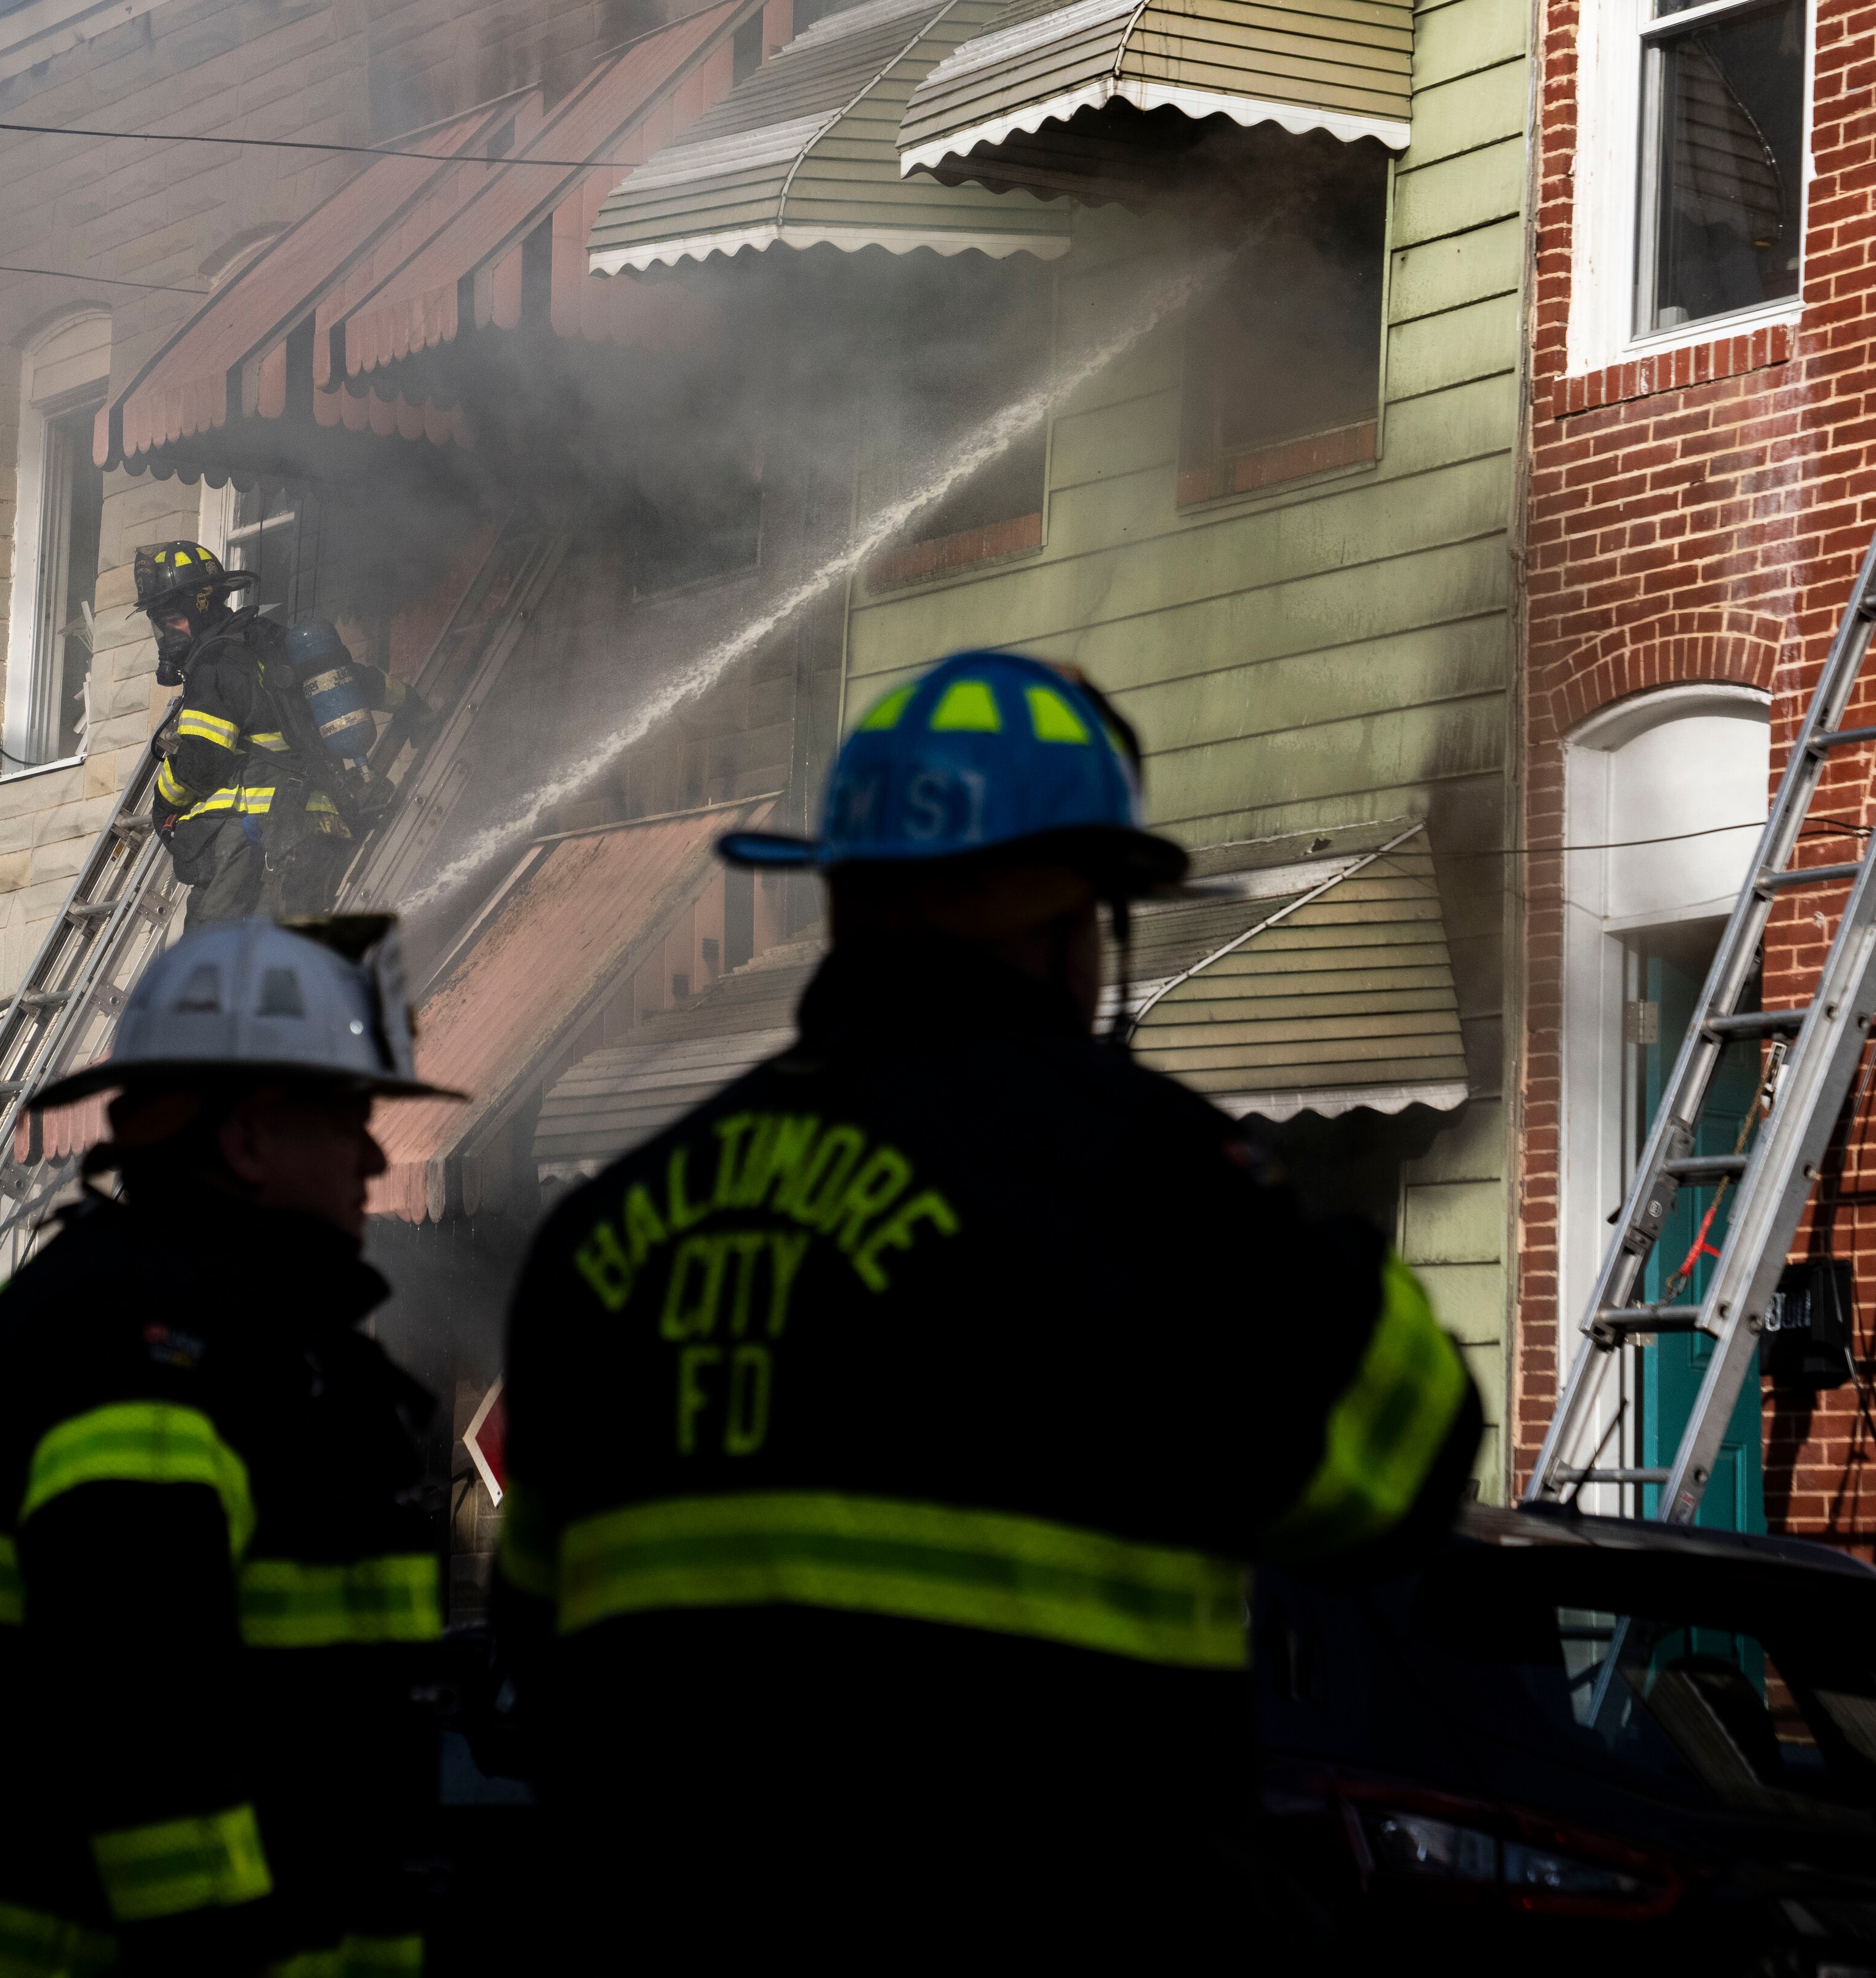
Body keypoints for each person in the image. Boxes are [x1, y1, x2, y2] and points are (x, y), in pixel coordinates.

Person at [488, 650, 1486, 1969]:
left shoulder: (605, 1231)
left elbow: (534, 1656)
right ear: (1079, 925)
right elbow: (1407, 1466)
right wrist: (1272, 1218)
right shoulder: (1148, 1187)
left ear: (841, 906)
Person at [0, 916, 456, 1977]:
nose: (370, 1154)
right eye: (343, 1116)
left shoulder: (248, 1344)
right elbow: (143, 1721)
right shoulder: (143, 1342)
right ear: (250, 1136)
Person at [135, 541, 360, 926]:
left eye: (173, 621)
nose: (167, 636)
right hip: (320, 825)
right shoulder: (272, 642)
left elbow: (203, 759)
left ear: (201, 605)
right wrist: (415, 709)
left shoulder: (215, 664)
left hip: (261, 839)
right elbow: (358, 682)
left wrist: (164, 801)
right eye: (160, 624)